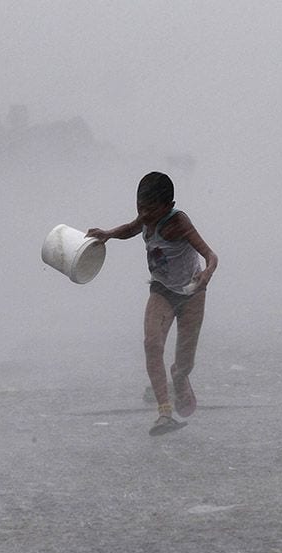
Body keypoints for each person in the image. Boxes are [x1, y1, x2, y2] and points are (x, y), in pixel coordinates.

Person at [88, 172, 218, 436]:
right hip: (162, 291)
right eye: (140, 208)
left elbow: (211, 255)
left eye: (150, 210)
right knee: (152, 343)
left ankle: (179, 377)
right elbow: (132, 228)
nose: (144, 215)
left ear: (168, 206)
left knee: (184, 362)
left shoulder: (178, 222)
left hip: (192, 293)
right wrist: (108, 235)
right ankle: (164, 413)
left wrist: (206, 274)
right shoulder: (146, 219)